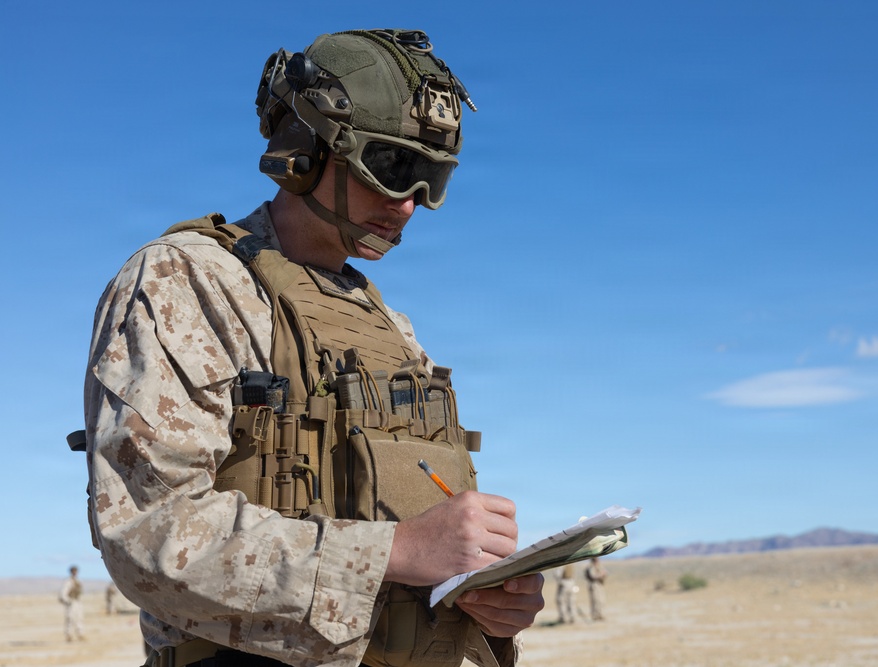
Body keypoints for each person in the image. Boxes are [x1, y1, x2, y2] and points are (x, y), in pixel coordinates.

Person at [79, 28, 543, 667]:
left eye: (433, 180)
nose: (410, 205)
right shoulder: (190, 281)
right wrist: (395, 552)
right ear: (305, 150)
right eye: (391, 168)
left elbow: (421, 529)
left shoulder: (389, 325)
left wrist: (487, 603)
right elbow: (149, 530)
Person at [58, 565, 85, 642]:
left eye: (76, 571)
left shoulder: (78, 581)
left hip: (77, 602)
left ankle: (80, 634)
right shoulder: (68, 581)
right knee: (70, 619)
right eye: (73, 571)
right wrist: (67, 601)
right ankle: (68, 635)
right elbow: (63, 592)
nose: (75, 573)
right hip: (71, 602)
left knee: (79, 618)